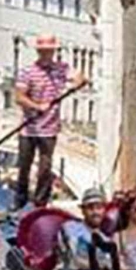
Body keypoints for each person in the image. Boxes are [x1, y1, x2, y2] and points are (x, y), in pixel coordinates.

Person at [13, 35, 88, 209]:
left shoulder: (62, 69)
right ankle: (19, 201)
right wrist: (37, 106)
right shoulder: (27, 72)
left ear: (53, 51)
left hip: (50, 128)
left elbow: (81, 78)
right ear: (38, 52)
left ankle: (40, 204)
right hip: (28, 128)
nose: (47, 54)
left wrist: (75, 85)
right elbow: (19, 97)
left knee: (45, 168)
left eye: (50, 51)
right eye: (43, 51)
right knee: (24, 166)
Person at [57, 187, 108, 270]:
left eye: (99, 208)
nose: (95, 212)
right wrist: (103, 265)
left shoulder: (105, 239)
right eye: (90, 208)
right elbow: (75, 259)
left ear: (104, 210)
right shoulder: (71, 228)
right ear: (83, 210)